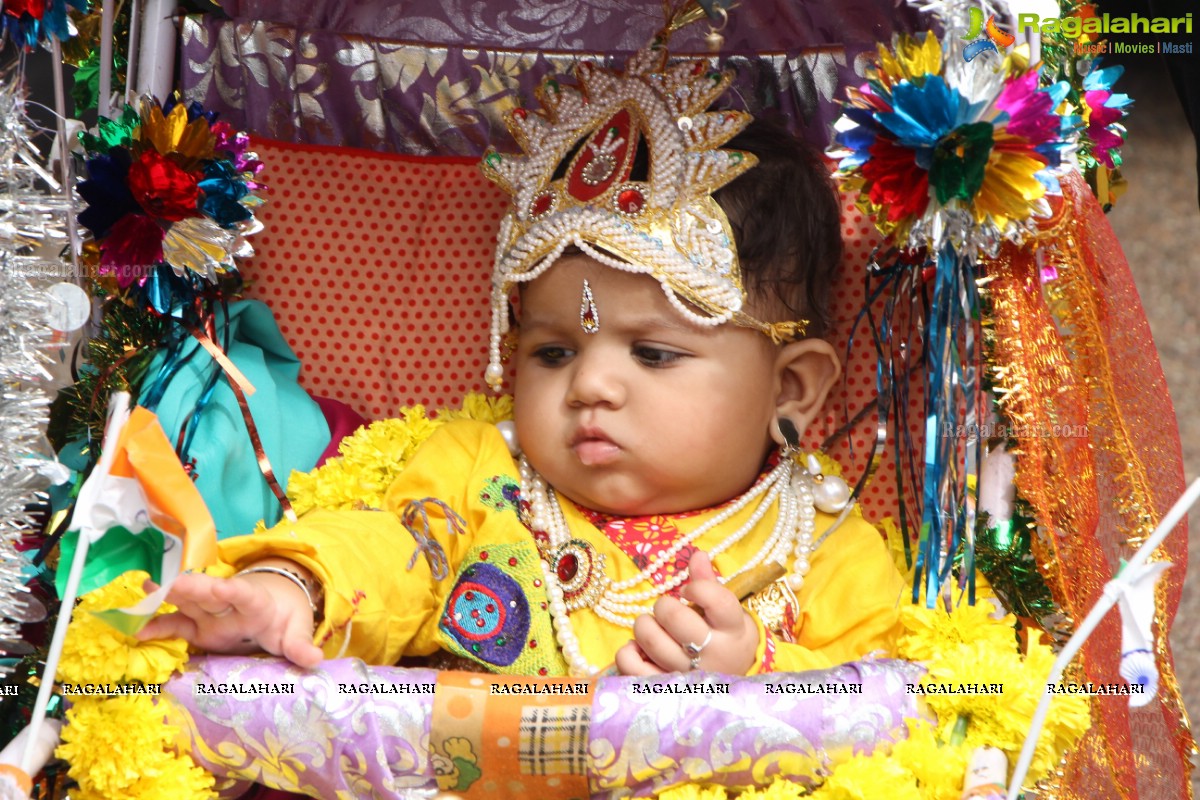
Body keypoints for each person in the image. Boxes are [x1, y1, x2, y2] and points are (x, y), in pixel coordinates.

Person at [139, 47, 905, 679]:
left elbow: (895, 703)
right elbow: (388, 547)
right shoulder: (483, 480)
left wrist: (762, 671)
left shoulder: (822, 543)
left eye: (654, 353)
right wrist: (297, 587)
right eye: (553, 351)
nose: (592, 386)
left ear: (793, 387)